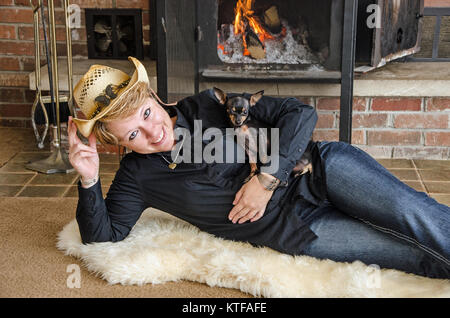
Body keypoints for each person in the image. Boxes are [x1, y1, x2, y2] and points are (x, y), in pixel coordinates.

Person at [69, 57, 450, 279]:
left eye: (148, 113)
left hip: (322, 170)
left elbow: (299, 114)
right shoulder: (137, 177)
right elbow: (104, 239)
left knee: (415, 214)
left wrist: (266, 178)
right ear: (118, 143)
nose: (153, 133)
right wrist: (88, 178)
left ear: (153, 96)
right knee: (412, 255)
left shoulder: (207, 105)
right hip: (298, 229)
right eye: (133, 133)